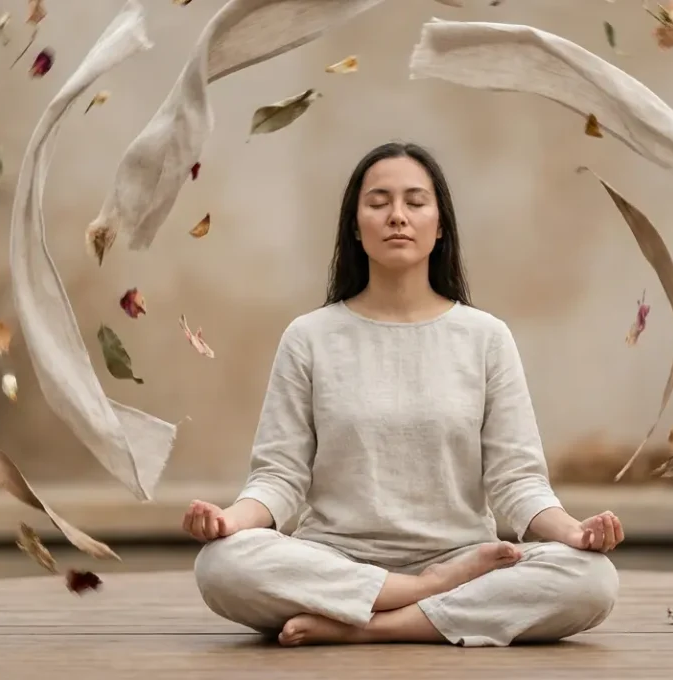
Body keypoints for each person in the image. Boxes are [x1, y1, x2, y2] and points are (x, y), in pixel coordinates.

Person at [184, 141, 624, 648]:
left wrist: (573, 533)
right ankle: (425, 596)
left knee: (592, 580)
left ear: (440, 227)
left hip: (464, 558)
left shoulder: (485, 337)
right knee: (222, 564)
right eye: (378, 202)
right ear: (355, 225)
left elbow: (516, 480)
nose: (397, 216)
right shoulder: (309, 337)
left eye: (415, 202)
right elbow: (279, 477)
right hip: (335, 559)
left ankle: (371, 625)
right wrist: (228, 521)